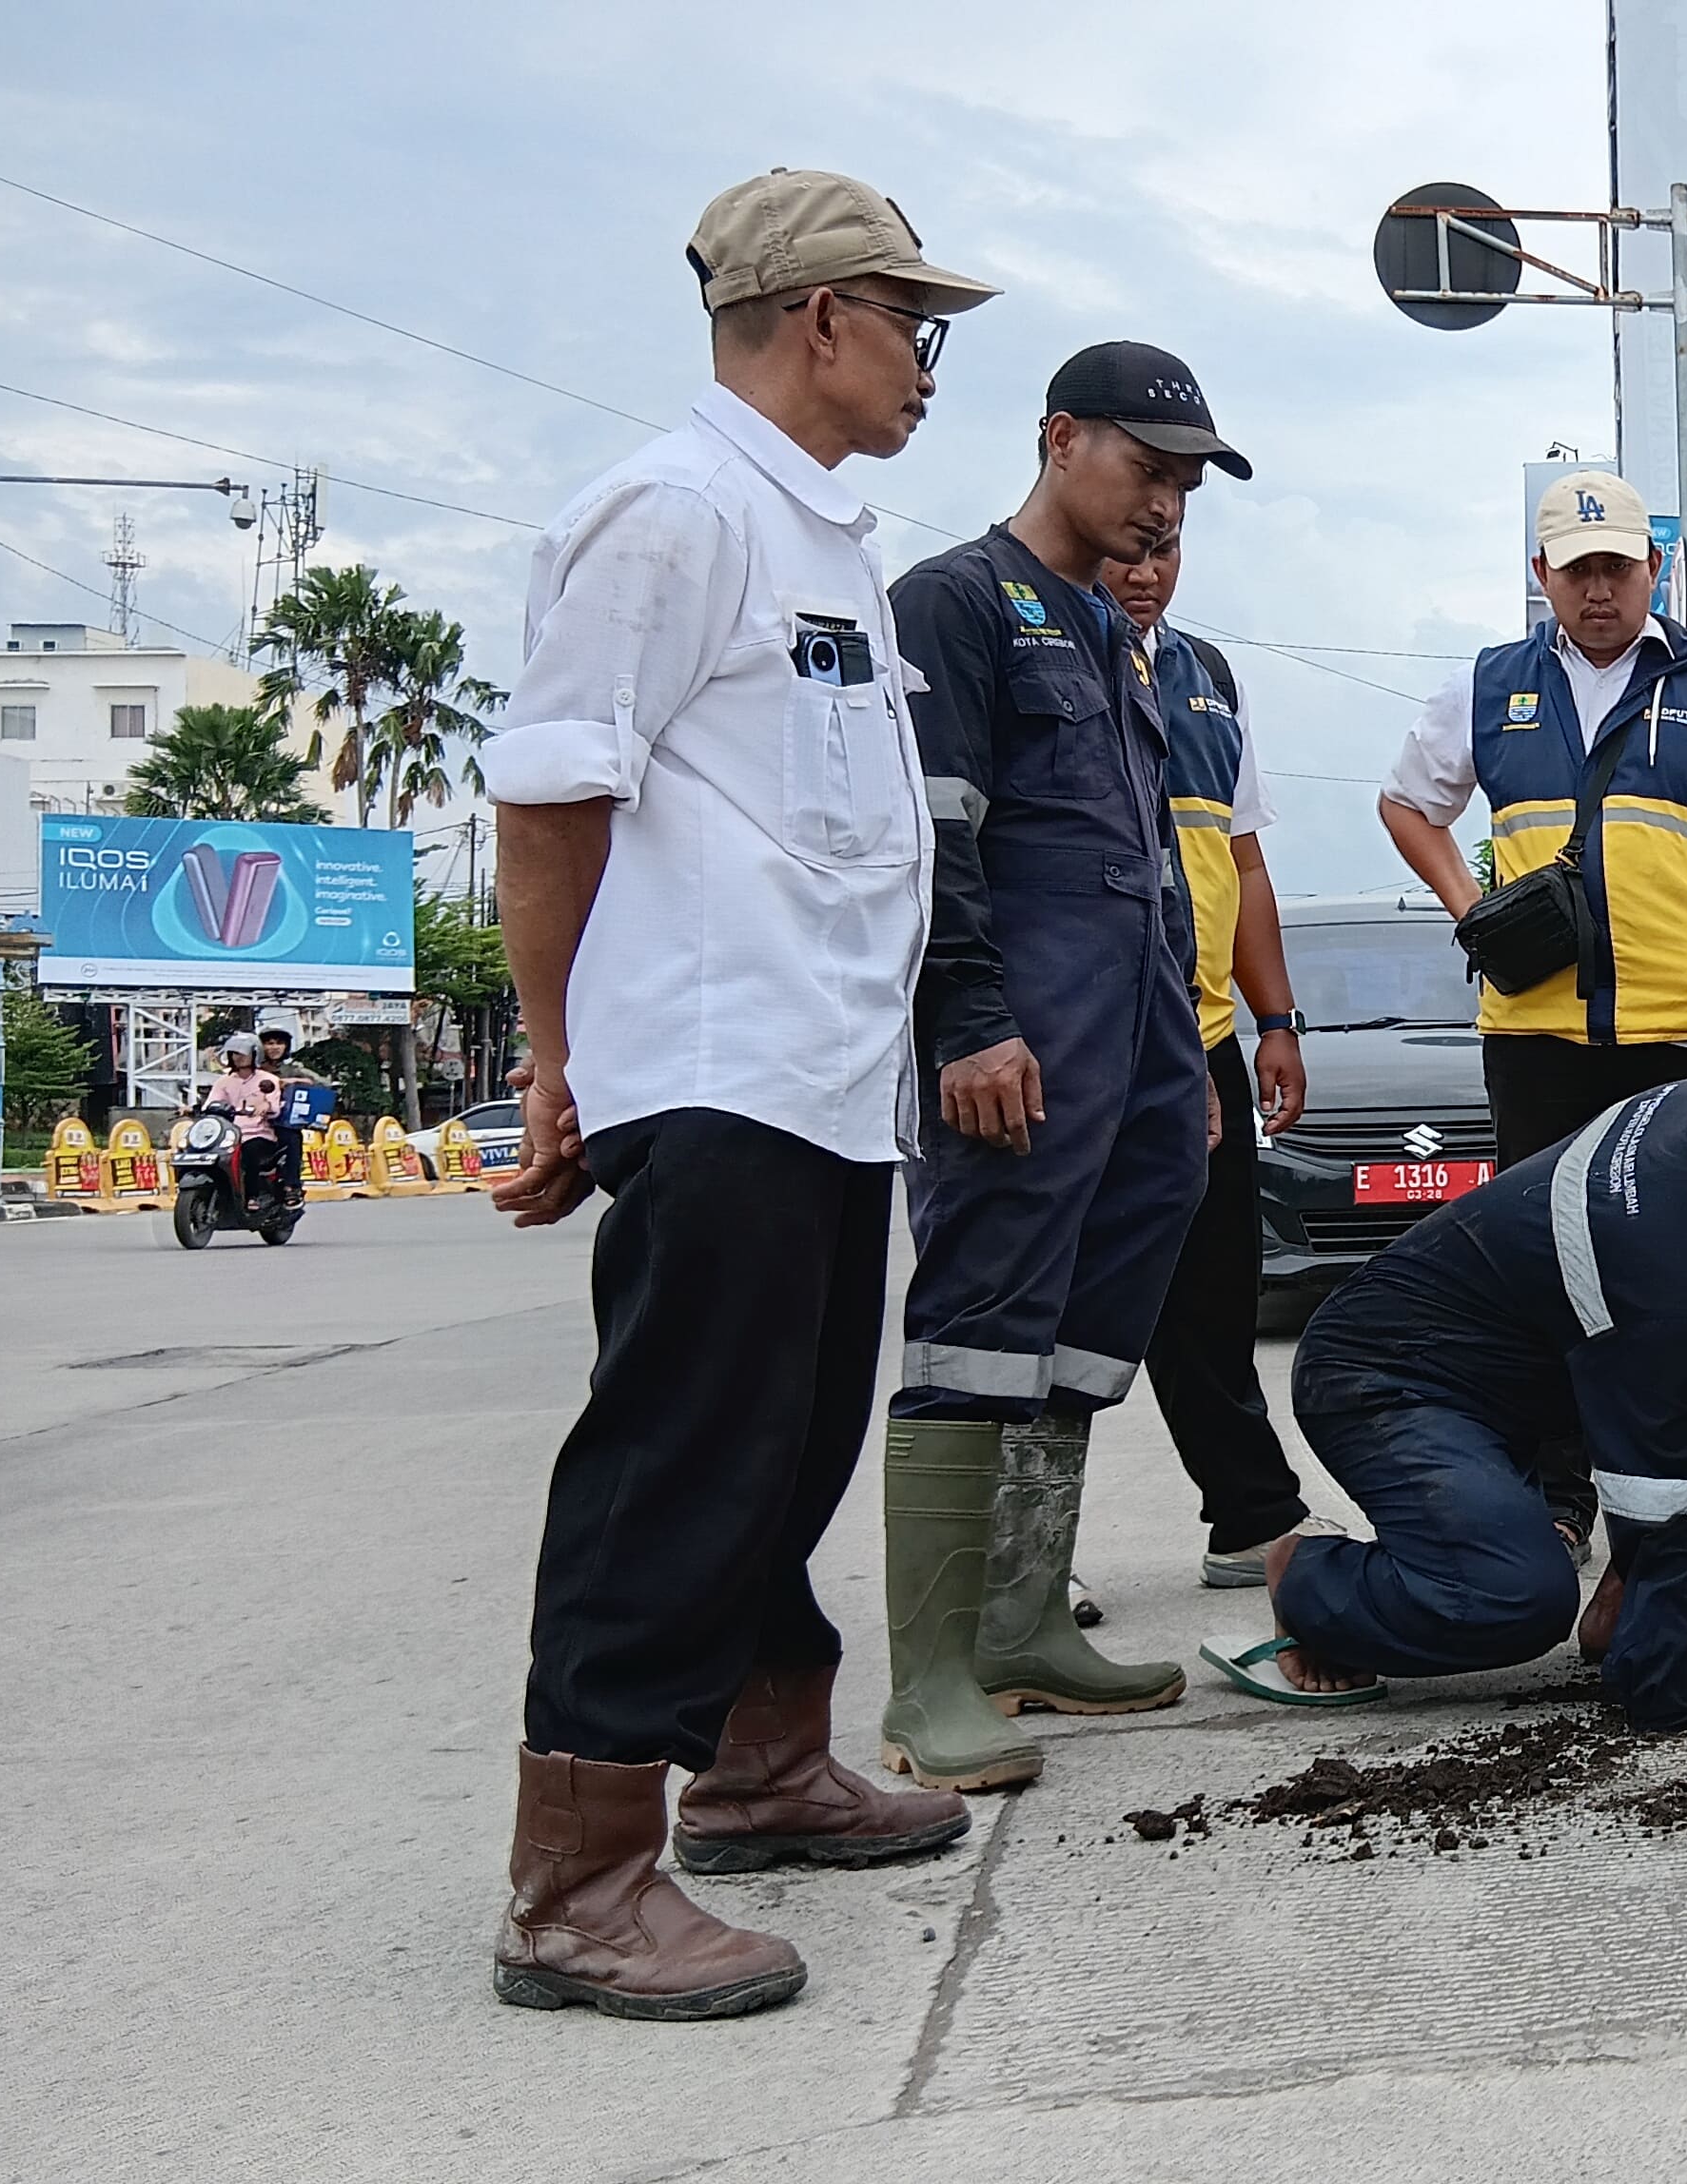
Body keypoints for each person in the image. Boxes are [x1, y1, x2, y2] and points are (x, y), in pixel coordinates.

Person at [479, 166, 995, 2020]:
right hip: (709, 1065)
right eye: (914, 325)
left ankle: (766, 1765)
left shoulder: (817, 537)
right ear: (821, 319)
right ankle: (581, 1877)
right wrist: (557, 1061)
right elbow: (551, 787)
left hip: (818, 1076)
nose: (930, 363)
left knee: (781, 1446)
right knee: (681, 1453)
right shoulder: (677, 513)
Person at [873, 340, 1252, 1789]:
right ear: (1057, 440)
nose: (1164, 506)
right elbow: (932, 834)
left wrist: (1177, 1073)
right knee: (979, 1323)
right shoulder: (957, 603)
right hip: (1017, 1034)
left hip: (1137, 1039)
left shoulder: (1109, 631)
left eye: (1182, 486)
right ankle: (933, 1682)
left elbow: (1151, 856)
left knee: (1087, 1325)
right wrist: (966, 1020)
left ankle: (1027, 1625)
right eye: (1146, 471)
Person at [1199, 1008, 1687, 1728]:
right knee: (1511, 1599)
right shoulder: (1666, 1258)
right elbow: (1671, 1483)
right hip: (1384, 1380)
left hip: (1525, 1365)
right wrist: (1661, 1694)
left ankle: (1623, 1607)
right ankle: (1311, 1579)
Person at [1376, 468, 1687, 1579]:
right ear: (1542, 578)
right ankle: (1562, 1492)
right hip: (1538, 1042)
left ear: (1654, 569)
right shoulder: (1491, 687)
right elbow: (1406, 802)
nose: (1601, 589)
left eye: (1619, 565)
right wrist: (1473, 907)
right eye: (1577, 570)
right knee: (1554, 1278)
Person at [1105, 530, 1321, 1594]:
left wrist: (1273, 1017)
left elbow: (1240, 860)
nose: (1147, 571)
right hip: (1081, 1042)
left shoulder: (1207, 679)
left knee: (1213, 1292)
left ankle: (1249, 1515)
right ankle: (1019, 1566)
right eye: (1130, 549)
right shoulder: (1024, 648)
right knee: (1050, 1305)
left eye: (1168, 549)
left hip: (1201, 1040)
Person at [204, 1038, 287, 1198]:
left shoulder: (268, 1080)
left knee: (250, 1153)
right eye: (234, 1053)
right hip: (228, 1134)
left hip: (258, 1133)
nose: (238, 1057)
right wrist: (192, 1108)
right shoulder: (224, 1082)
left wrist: (265, 1106)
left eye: (243, 1053)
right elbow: (212, 1103)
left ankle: (252, 1196)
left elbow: (274, 1106)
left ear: (255, 1054)